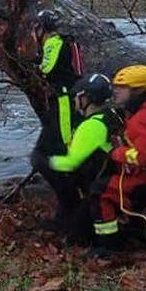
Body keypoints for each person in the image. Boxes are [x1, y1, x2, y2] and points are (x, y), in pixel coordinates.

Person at [92, 65, 146, 252]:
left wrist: (118, 153)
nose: (115, 90)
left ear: (136, 90)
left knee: (101, 190)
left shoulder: (144, 117)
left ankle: (109, 246)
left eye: (121, 87)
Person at [41, 74, 123, 244]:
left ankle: (107, 247)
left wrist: (46, 162)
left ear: (87, 98)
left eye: (78, 97)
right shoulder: (113, 115)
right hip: (114, 178)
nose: (76, 101)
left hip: (100, 187)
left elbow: (71, 163)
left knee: (74, 239)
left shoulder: (90, 126)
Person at [31, 10, 84, 226]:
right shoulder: (67, 42)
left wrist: (32, 65)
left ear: (42, 28)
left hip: (63, 99)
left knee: (63, 143)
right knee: (58, 143)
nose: (33, 34)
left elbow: (47, 69)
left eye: (35, 29)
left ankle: (70, 205)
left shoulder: (53, 42)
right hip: (65, 98)